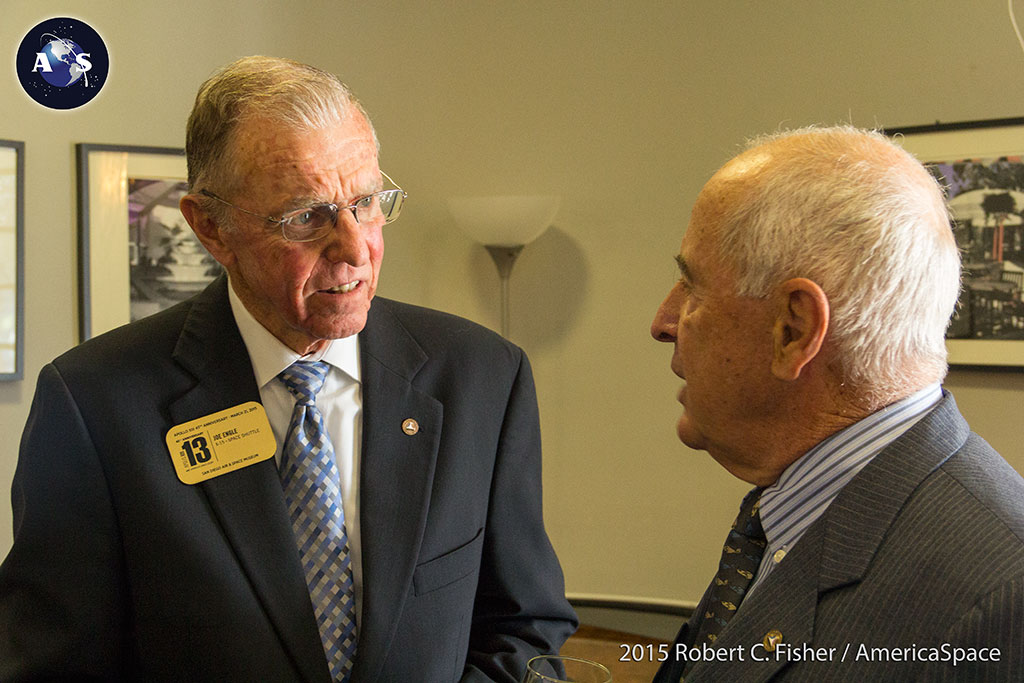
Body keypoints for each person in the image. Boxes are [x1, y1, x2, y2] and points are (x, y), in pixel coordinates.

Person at [0, 56, 576, 682]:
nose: (356, 248)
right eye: (306, 216)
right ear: (210, 228)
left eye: (366, 202)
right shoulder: (94, 406)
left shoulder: (482, 378)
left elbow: (526, 629)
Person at [649, 126, 1024, 682]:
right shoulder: (795, 508)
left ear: (794, 330)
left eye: (693, 288)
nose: (663, 322)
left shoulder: (1000, 599)